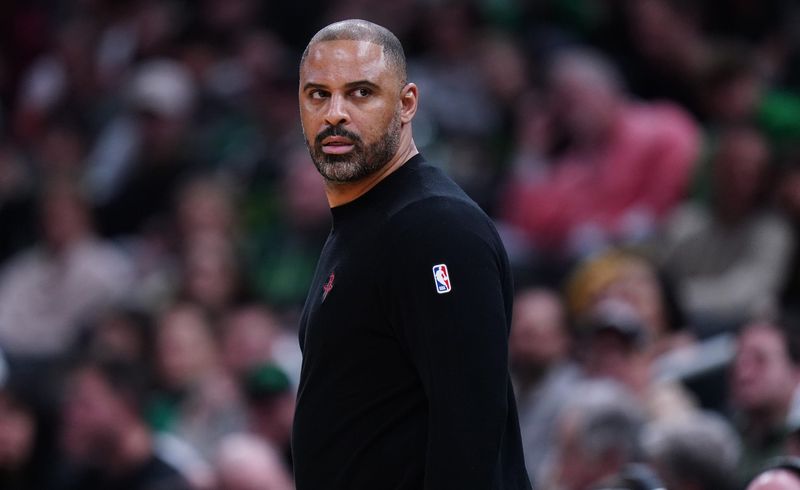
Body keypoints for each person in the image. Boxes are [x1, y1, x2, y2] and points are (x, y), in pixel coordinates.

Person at [292, 19, 531, 490]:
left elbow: (470, 429)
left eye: (361, 93)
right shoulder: (363, 224)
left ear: (406, 104)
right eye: (318, 95)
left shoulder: (435, 227)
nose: (335, 114)